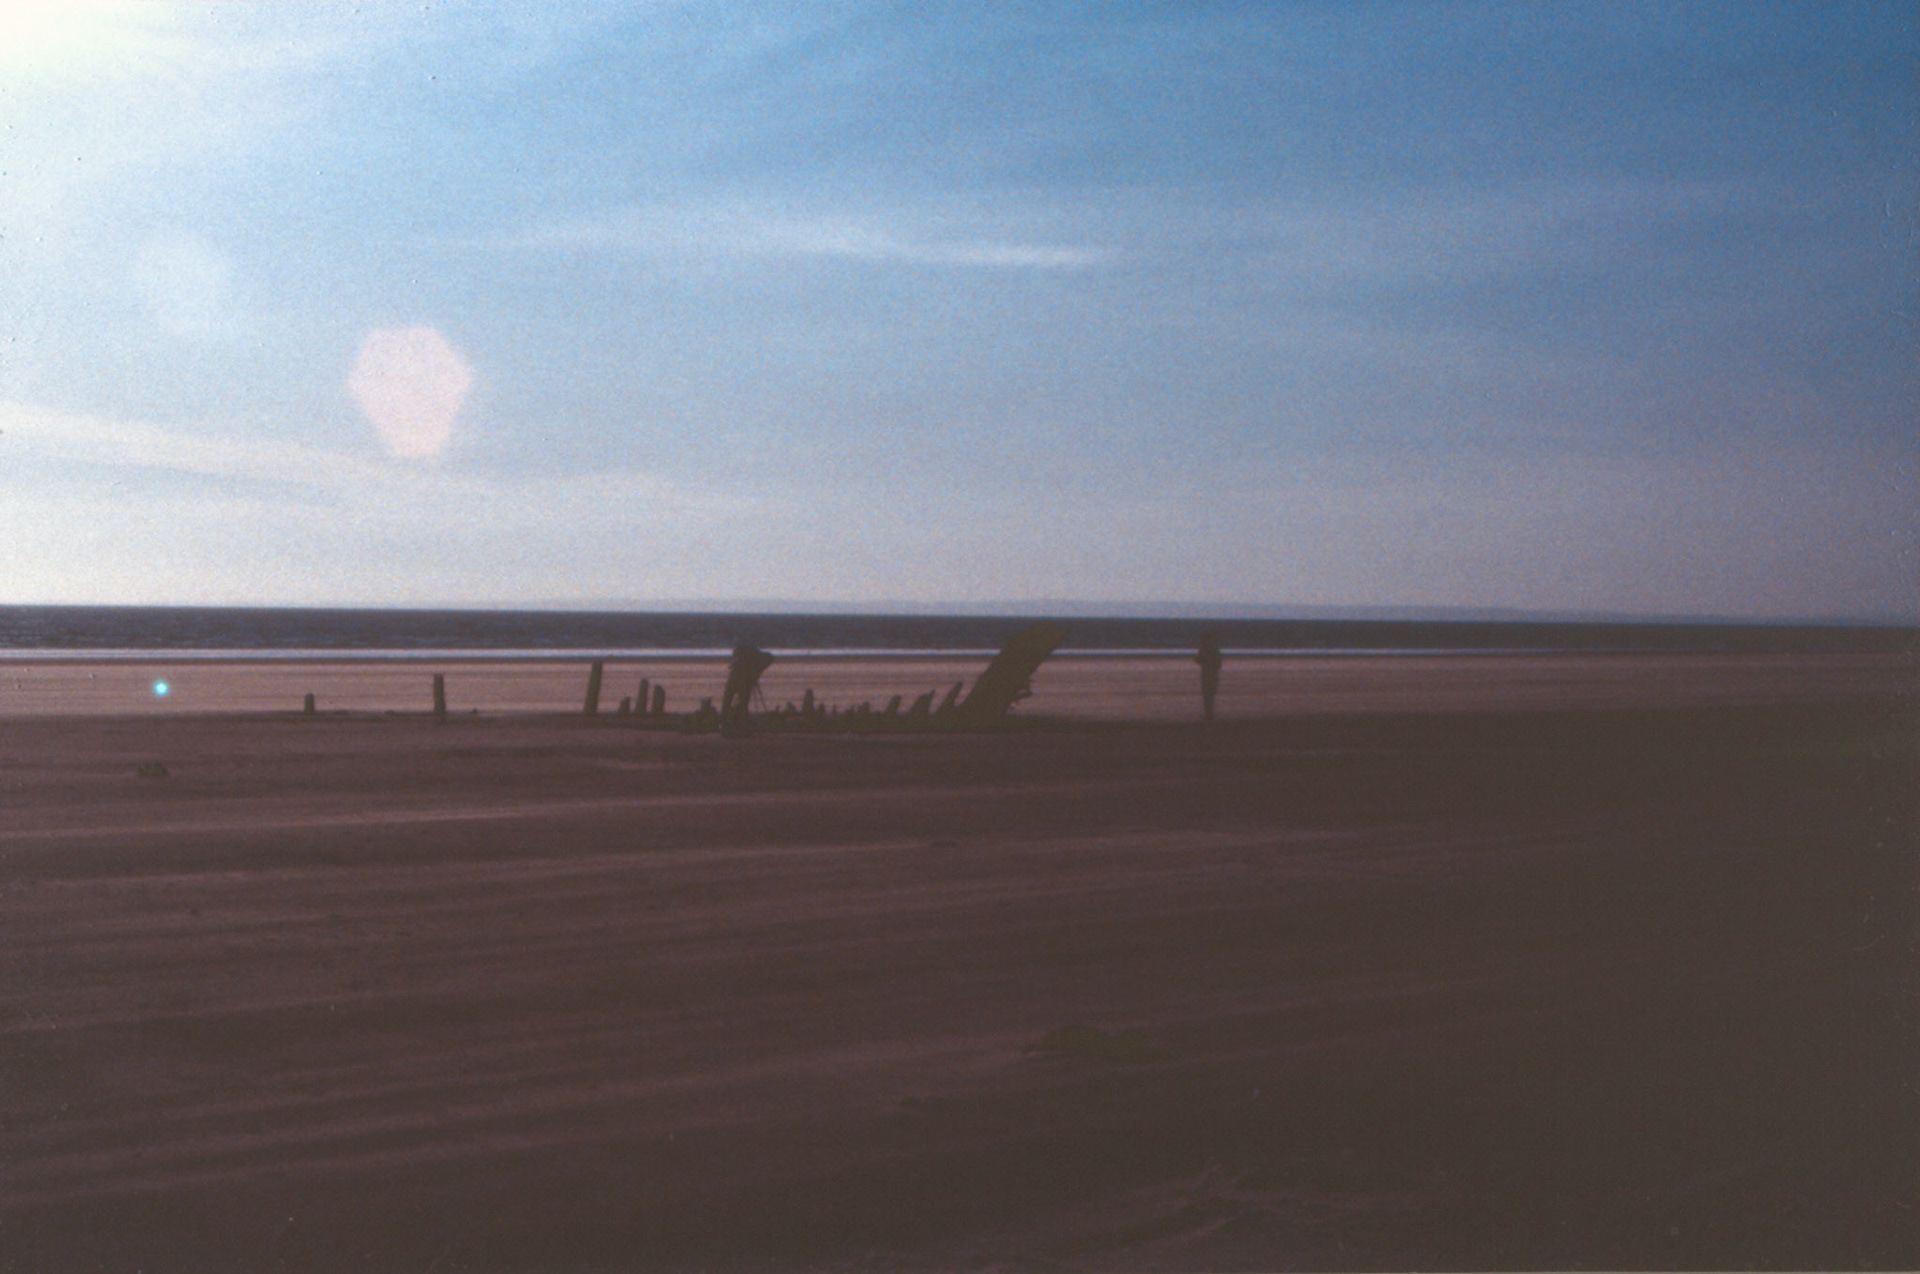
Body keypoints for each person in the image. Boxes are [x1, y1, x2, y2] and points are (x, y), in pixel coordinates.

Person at [1195, 632, 1223, 721]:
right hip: (1212, 675)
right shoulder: (1214, 649)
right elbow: (1218, 664)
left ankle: (1208, 714)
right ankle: (1209, 714)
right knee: (1210, 695)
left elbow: (1198, 660)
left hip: (1208, 675)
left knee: (1207, 695)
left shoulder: (1206, 649)